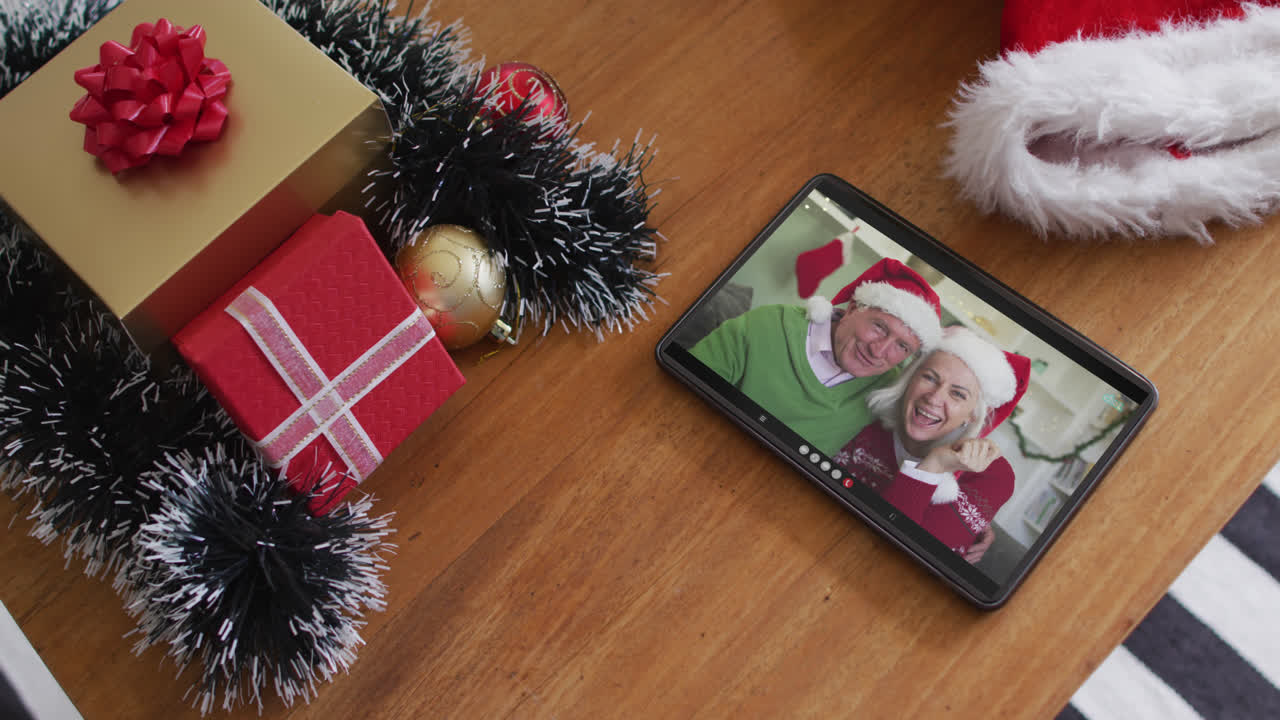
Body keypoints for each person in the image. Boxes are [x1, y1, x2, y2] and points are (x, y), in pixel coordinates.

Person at [689, 258, 943, 456]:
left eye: (902, 346)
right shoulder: (767, 325)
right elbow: (685, 393)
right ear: (853, 308)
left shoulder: (888, 389)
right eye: (879, 327)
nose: (878, 351)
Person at [832, 325, 1031, 562]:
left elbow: (895, 555)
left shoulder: (994, 476)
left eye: (957, 394)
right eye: (929, 377)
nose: (934, 398)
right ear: (910, 378)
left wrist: (933, 467)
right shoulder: (866, 419)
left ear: (974, 415)